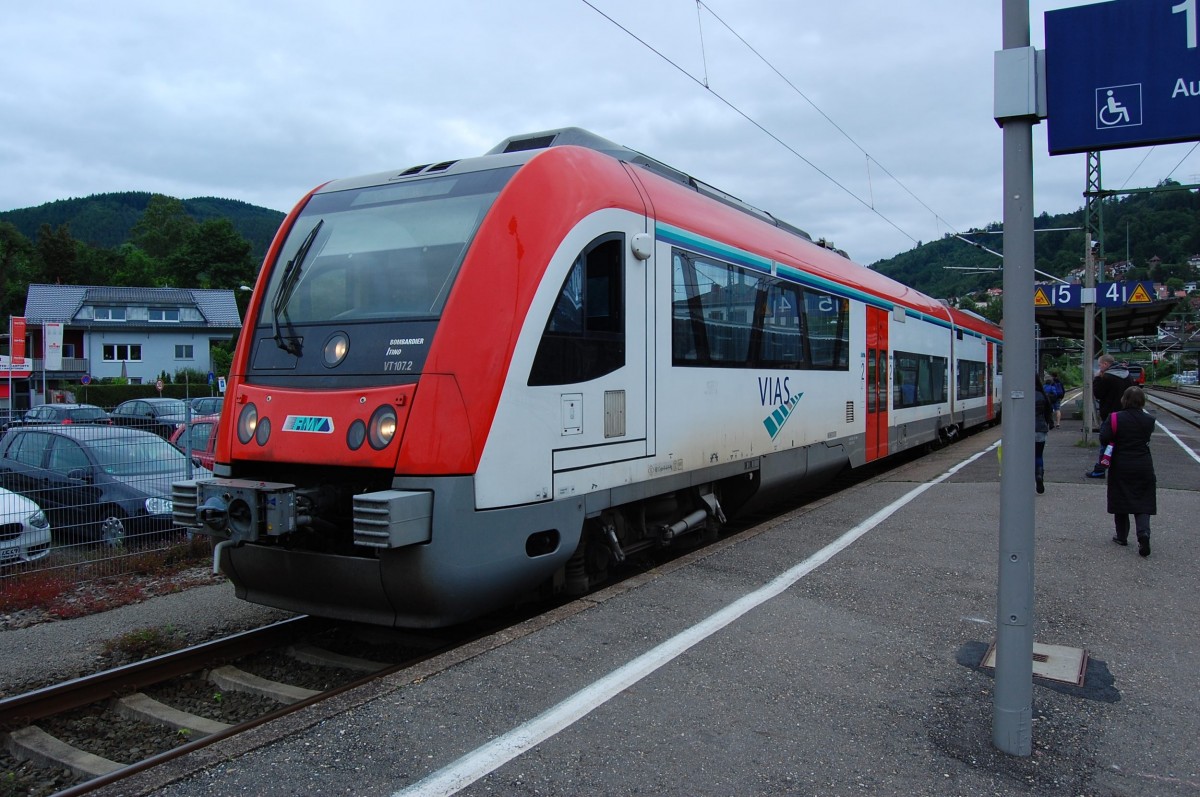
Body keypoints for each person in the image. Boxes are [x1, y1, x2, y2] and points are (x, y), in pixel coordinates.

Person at [1100, 385, 1157, 557]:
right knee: (1143, 502)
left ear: (1124, 400)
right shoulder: (1150, 420)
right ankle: (1143, 534)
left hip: (1121, 464)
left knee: (1121, 499)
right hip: (1144, 464)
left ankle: (1122, 536)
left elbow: (1104, 437)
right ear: (1142, 401)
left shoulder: (1115, 418)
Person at [1086, 354, 1131, 478]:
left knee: (1106, 443)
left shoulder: (1106, 377)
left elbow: (1098, 394)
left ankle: (1100, 470)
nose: (1099, 367)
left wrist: (1097, 379)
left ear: (1106, 364)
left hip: (1111, 416)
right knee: (1124, 444)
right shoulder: (1128, 375)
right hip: (1127, 414)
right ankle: (1123, 470)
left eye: (1100, 365)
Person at [1034, 375, 1055, 494]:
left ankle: (1024, 480)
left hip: (1025, 431)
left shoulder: (1024, 395)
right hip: (1041, 429)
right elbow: (1048, 412)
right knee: (1038, 455)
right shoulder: (1042, 395)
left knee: (1024, 458)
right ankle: (1039, 475)